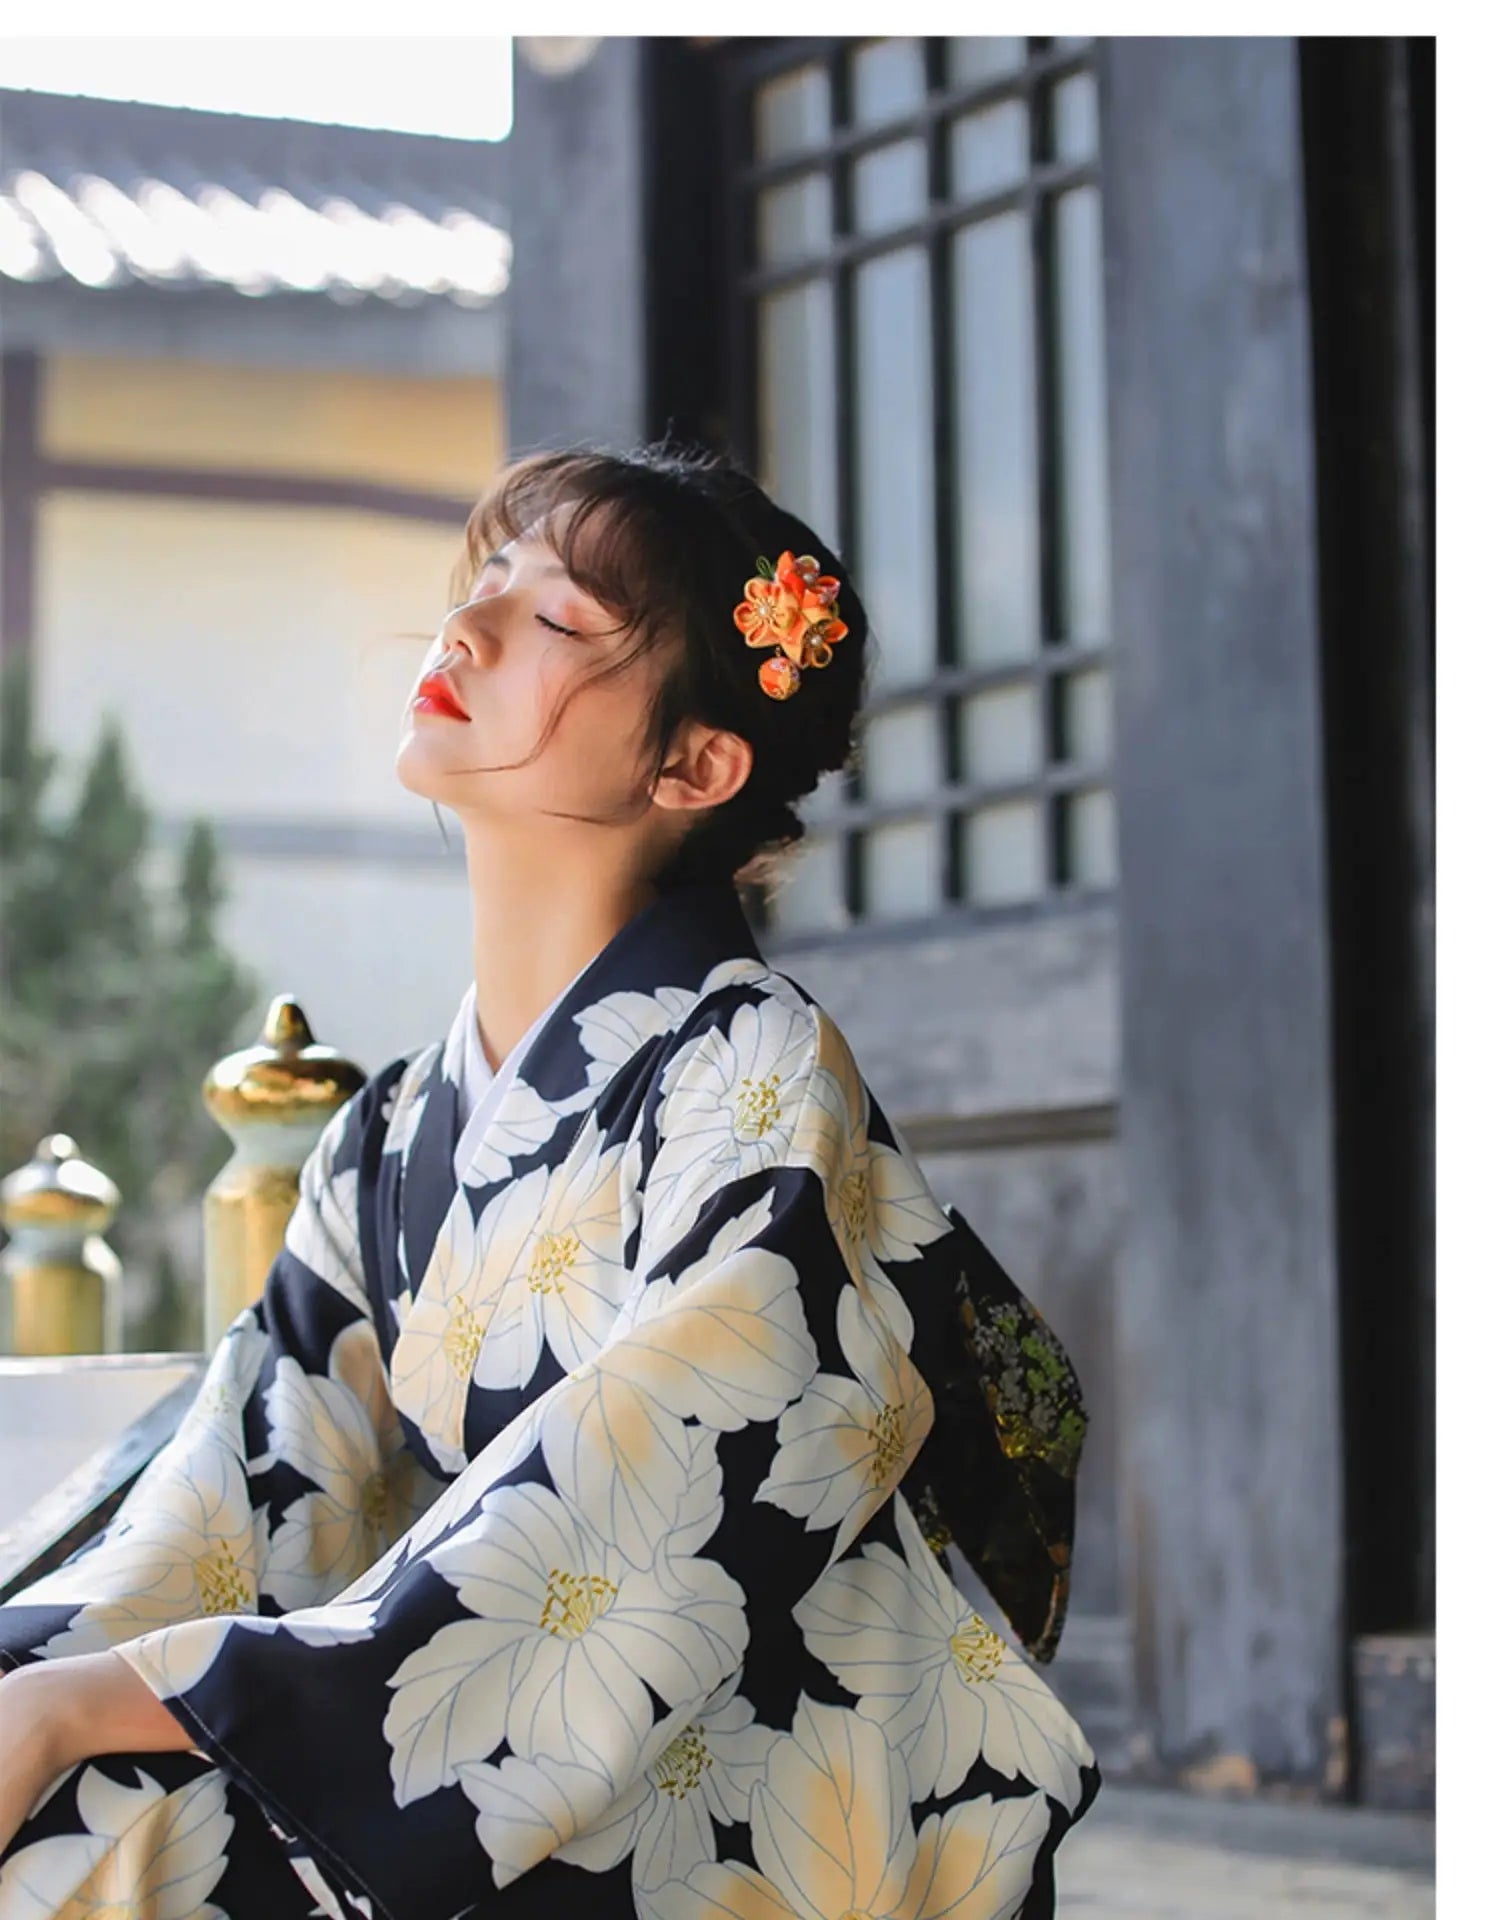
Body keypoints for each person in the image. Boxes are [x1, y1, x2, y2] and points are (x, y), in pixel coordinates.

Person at [0, 442, 1102, 1918]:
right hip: (536, 1739)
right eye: (487, 583)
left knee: (123, 1849)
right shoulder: (388, 1137)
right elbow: (240, 1497)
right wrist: (39, 1681)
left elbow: (641, 1508)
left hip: (774, 1777)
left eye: (561, 622)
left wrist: (95, 1709)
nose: (466, 629)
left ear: (695, 763)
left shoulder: (756, 1071)